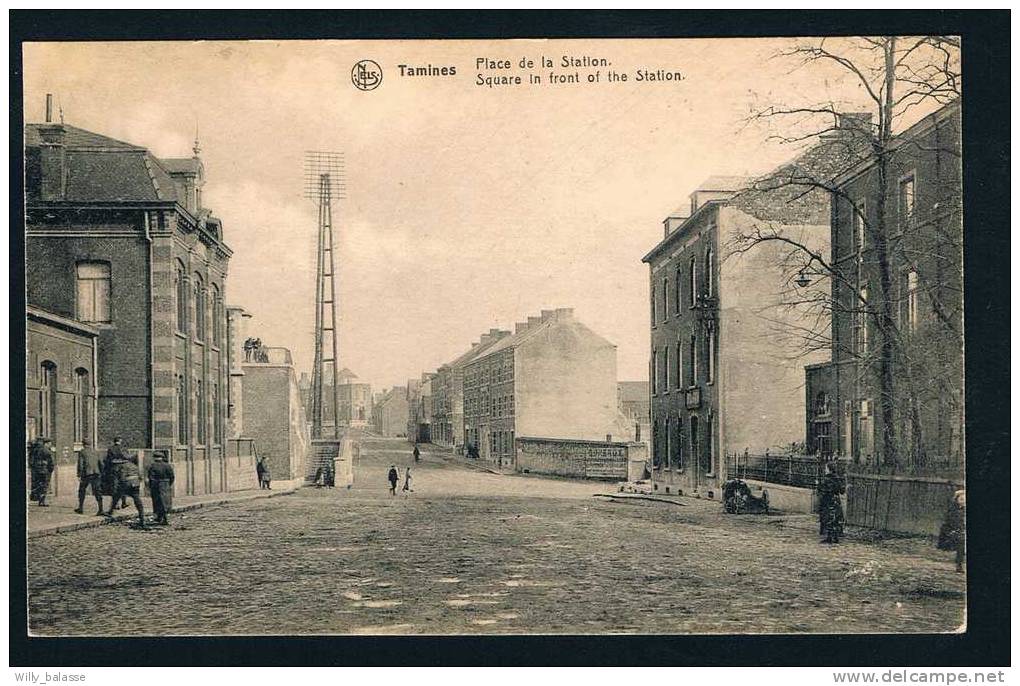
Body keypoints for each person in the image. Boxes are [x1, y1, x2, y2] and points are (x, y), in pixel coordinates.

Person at [104, 444, 145, 527]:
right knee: (137, 500)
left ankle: (110, 511)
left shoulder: (122, 466)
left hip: (126, 483)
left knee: (116, 497)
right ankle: (142, 517)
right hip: (135, 483)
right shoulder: (134, 466)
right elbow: (141, 476)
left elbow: (122, 477)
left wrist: (120, 485)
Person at [817, 461, 845, 544]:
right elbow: (842, 491)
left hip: (828, 500)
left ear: (829, 469)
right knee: (835, 518)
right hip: (836, 500)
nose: (825, 470)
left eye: (826, 468)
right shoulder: (837, 478)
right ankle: (835, 537)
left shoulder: (826, 479)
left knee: (828, 518)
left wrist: (819, 486)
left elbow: (822, 491)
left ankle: (829, 538)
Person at [938, 489, 966, 573]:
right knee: (961, 541)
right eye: (961, 499)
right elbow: (950, 523)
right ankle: (959, 564)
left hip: (961, 531)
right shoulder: (953, 511)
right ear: (956, 500)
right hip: (953, 532)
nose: (963, 502)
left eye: (965, 500)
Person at [74, 439, 104, 515]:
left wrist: (79, 474)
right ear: (90, 444)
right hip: (96, 473)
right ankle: (101, 509)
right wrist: (101, 472)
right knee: (97, 491)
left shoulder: (82, 452)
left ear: (83, 444)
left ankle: (81, 508)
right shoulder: (96, 451)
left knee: (82, 490)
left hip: (86, 474)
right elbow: (101, 463)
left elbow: (80, 464)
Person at [146, 451, 175, 526]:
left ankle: (161, 517)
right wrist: (168, 484)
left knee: (157, 501)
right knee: (165, 501)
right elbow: (172, 476)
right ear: (162, 458)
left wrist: (151, 486)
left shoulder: (153, 466)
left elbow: (150, 477)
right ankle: (164, 518)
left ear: (155, 458)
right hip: (165, 484)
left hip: (156, 485)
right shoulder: (167, 465)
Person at [29, 437, 55, 506]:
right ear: (46, 443)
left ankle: (38, 499)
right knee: (44, 486)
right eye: (49, 443)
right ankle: (42, 501)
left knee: (38, 485)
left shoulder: (35, 449)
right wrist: (51, 469)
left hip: (36, 470)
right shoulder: (47, 451)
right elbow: (51, 461)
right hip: (45, 470)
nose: (50, 444)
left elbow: (31, 459)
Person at [104, 437, 129, 510]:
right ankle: (124, 502)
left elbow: (108, 459)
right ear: (120, 441)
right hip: (122, 468)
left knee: (114, 486)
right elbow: (127, 458)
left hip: (113, 468)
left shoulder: (110, 449)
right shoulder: (123, 448)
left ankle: (116, 504)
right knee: (123, 485)